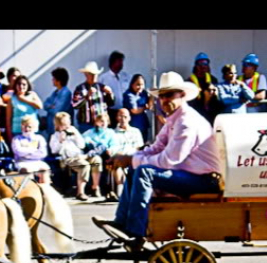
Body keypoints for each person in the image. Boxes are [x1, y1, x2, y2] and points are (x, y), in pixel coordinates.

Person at [92, 71, 223, 249]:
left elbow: (170, 160)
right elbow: (155, 148)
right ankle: (122, 223)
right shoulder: (174, 120)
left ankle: (136, 232)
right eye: (162, 96)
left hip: (204, 180)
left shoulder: (187, 122)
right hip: (190, 176)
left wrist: (131, 160)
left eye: (169, 95)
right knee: (136, 169)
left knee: (144, 171)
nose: (164, 100)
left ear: (182, 95)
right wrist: (128, 159)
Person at [49, 111, 96, 200]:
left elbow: (82, 145)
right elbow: (54, 150)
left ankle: (95, 188)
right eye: (64, 124)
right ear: (58, 125)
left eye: (68, 123)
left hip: (80, 156)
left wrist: (76, 135)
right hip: (67, 159)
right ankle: (81, 192)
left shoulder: (74, 132)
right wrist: (61, 141)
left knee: (96, 160)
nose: (67, 126)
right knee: (83, 165)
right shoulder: (55, 136)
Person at [107, 108, 144, 201]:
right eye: (120, 116)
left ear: (129, 118)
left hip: (132, 156)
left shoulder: (136, 131)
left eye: (125, 116)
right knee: (118, 165)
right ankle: (120, 193)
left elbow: (139, 147)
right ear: (116, 118)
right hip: (119, 156)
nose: (123, 119)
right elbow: (112, 148)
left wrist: (130, 156)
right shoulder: (112, 133)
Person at [72, 61, 115, 134]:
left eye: (95, 74)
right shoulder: (80, 88)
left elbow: (111, 103)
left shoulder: (102, 87)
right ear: (86, 75)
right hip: (86, 124)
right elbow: (75, 105)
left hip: (101, 123)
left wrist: (110, 93)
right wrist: (87, 96)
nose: (93, 76)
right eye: (91, 74)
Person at [81, 112, 115, 200]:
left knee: (103, 146)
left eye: (105, 121)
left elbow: (114, 144)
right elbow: (83, 139)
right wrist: (89, 141)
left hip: (106, 154)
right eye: (101, 121)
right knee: (97, 159)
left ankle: (87, 155)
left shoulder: (110, 132)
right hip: (94, 155)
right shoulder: (90, 132)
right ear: (96, 122)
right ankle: (95, 187)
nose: (103, 123)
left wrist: (111, 149)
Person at [11, 115, 50, 183]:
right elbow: (18, 152)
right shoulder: (17, 139)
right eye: (24, 126)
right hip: (22, 162)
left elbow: (43, 153)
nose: (27, 128)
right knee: (27, 171)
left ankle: (45, 189)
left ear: (34, 127)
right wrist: (33, 150)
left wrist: (26, 152)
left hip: (37, 162)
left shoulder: (39, 138)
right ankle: (30, 190)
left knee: (44, 170)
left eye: (29, 126)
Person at [5, 75, 43, 143]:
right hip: (17, 131)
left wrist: (23, 99)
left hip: (32, 131)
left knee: (33, 151)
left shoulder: (32, 95)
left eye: (24, 84)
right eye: (19, 84)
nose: (21, 86)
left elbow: (39, 106)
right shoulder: (12, 99)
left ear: (28, 85)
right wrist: (9, 135)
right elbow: (8, 119)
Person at [99, 51, 131, 128]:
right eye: (119, 61)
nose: (121, 64)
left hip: (125, 110)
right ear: (112, 62)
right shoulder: (103, 78)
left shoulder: (127, 76)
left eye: (122, 62)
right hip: (111, 111)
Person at [187, 52, 219, 122]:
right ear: (196, 66)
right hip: (196, 112)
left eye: (205, 63)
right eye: (200, 63)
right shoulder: (189, 81)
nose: (203, 66)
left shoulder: (213, 80)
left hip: (211, 113)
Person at [123, 74, 154, 142]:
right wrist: (144, 108)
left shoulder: (144, 93)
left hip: (143, 124)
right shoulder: (128, 95)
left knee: (144, 143)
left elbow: (150, 106)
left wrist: (152, 95)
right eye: (138, 84)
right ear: (132, 84)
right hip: (133, 124)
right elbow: (134, 110)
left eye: (142, 84)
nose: (140, 87)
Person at [43, 67, 73, 137]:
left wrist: (50, 107)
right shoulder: (55, 92)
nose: (52, 80)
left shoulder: (66, 93)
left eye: (53, 79)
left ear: (59, 81)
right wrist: (50, 106)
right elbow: (45, 104)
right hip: (52, 128)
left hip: (62, 130)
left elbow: (57, 110)